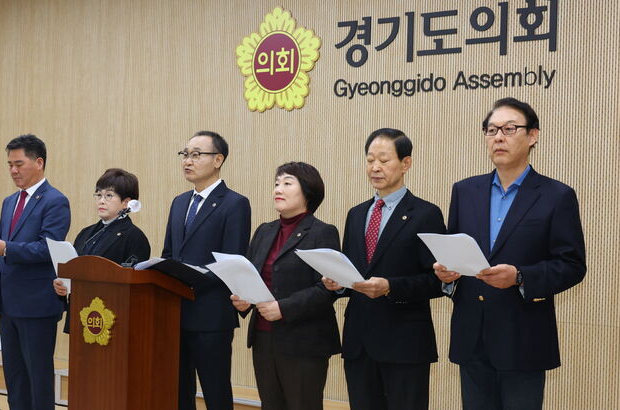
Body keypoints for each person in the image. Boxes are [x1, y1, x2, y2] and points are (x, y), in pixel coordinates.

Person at [434, 98, 587, 409]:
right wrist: (447, 275)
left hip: (524, 339)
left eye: (509, 129)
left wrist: (519, 277)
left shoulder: (556, 196)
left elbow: (571, 265)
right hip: (472, 336)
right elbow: (455, 250)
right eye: (491, 130)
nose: (499, 137)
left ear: (533, 136)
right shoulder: (464, 191)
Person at [323, 129, 446, 410]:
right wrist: (338, 284)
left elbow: (437, 281)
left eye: (384, 160)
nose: (375, 167)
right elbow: (354, 272)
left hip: (405, 343)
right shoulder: (356, 214)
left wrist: (391, 286)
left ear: (405, 163)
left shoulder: (426, 214)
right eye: (370, 160)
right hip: (359, 342)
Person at [231, 162, 340, 410]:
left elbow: (328, 289)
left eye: (287, 183)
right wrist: (244, 300)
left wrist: (284, 308)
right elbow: (251, 276)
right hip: (263, 338)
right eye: (276, 183)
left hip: (304, 342)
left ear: (308, 191)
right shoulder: (264, 231)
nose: (278, 189)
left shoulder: (322, 232)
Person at [0, 134, 71, 410]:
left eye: (19, 164)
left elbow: (47, 248)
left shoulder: (55, 200)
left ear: (39, 162)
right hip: (8, 302)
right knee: (15, 379)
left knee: (38, 379)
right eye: (9, 164)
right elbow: (3, 244)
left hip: (37, 304)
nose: (13, 170)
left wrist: (5, 248)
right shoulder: (9, 201)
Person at [162, 131, 251, 410]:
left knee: (216, 392)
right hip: (176, 313)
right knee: (178, 393)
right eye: (185, 154)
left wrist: (189, 279)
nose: (187, 161)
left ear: (218, 160)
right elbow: (169, 254)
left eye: (196, 155)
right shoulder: (179, 202)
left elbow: (232, 260)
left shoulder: (235, 203)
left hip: (211, 315)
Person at [53, 168, 151, 333]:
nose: (101, 201)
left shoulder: (135, 237)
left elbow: (133, 288)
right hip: (81, 315)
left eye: (109, 196)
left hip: (112, 322)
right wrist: (62, 287)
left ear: (127, 203)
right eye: (98, 195)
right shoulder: (85, 233)